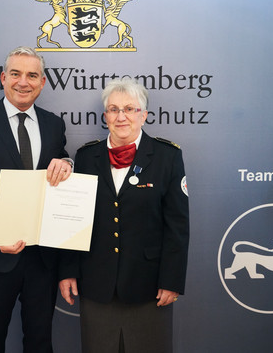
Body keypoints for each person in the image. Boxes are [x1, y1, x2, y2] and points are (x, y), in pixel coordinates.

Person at [0, 46, 73, 353]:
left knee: (40, 341)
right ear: (3, 78)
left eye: (32, 75)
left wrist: (67, 163)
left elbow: (58, 162)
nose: (24, 82)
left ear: (43, 83)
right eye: (16, 74)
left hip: (42, 257)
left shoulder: (53, 124)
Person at [59, 78, 189, 353]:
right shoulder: (86, 157)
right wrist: (68, 270)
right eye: (114, 109)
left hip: (149, 287)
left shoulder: (167, 157)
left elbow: (177, 225)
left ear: (143, 115)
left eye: (129, 109)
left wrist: (171, 280)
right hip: (96, 284)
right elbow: (74, 220)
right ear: (105, 116)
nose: (121, 117)